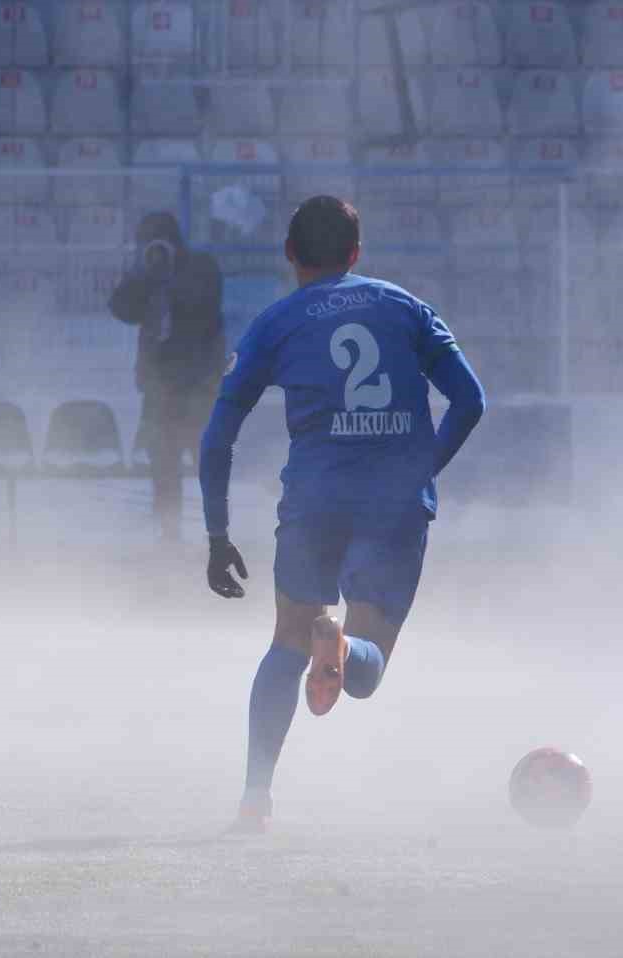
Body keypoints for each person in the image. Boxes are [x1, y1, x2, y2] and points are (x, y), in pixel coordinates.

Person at [198, 197, 486, 833]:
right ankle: (344, 645)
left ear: (290, 255)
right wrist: (423, 469)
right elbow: (470, 400)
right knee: (365, 670)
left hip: (314, 500)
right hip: (393, 503)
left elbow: (219, 435)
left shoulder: (275, 323)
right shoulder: (405, 306)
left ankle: (254, 796)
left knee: (286, 640)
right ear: (356, 254)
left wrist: (217, 533)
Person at [109, 212, 225, 541]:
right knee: (162, 461)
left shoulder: (200, 267)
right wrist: (143, 275)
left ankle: (217, 532)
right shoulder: (147, 274)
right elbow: (120, 309)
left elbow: (204, 304)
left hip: (198, 383)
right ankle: (169, 532)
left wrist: (169, 277)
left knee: (207, 463)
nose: (154, 250)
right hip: (160, 387)